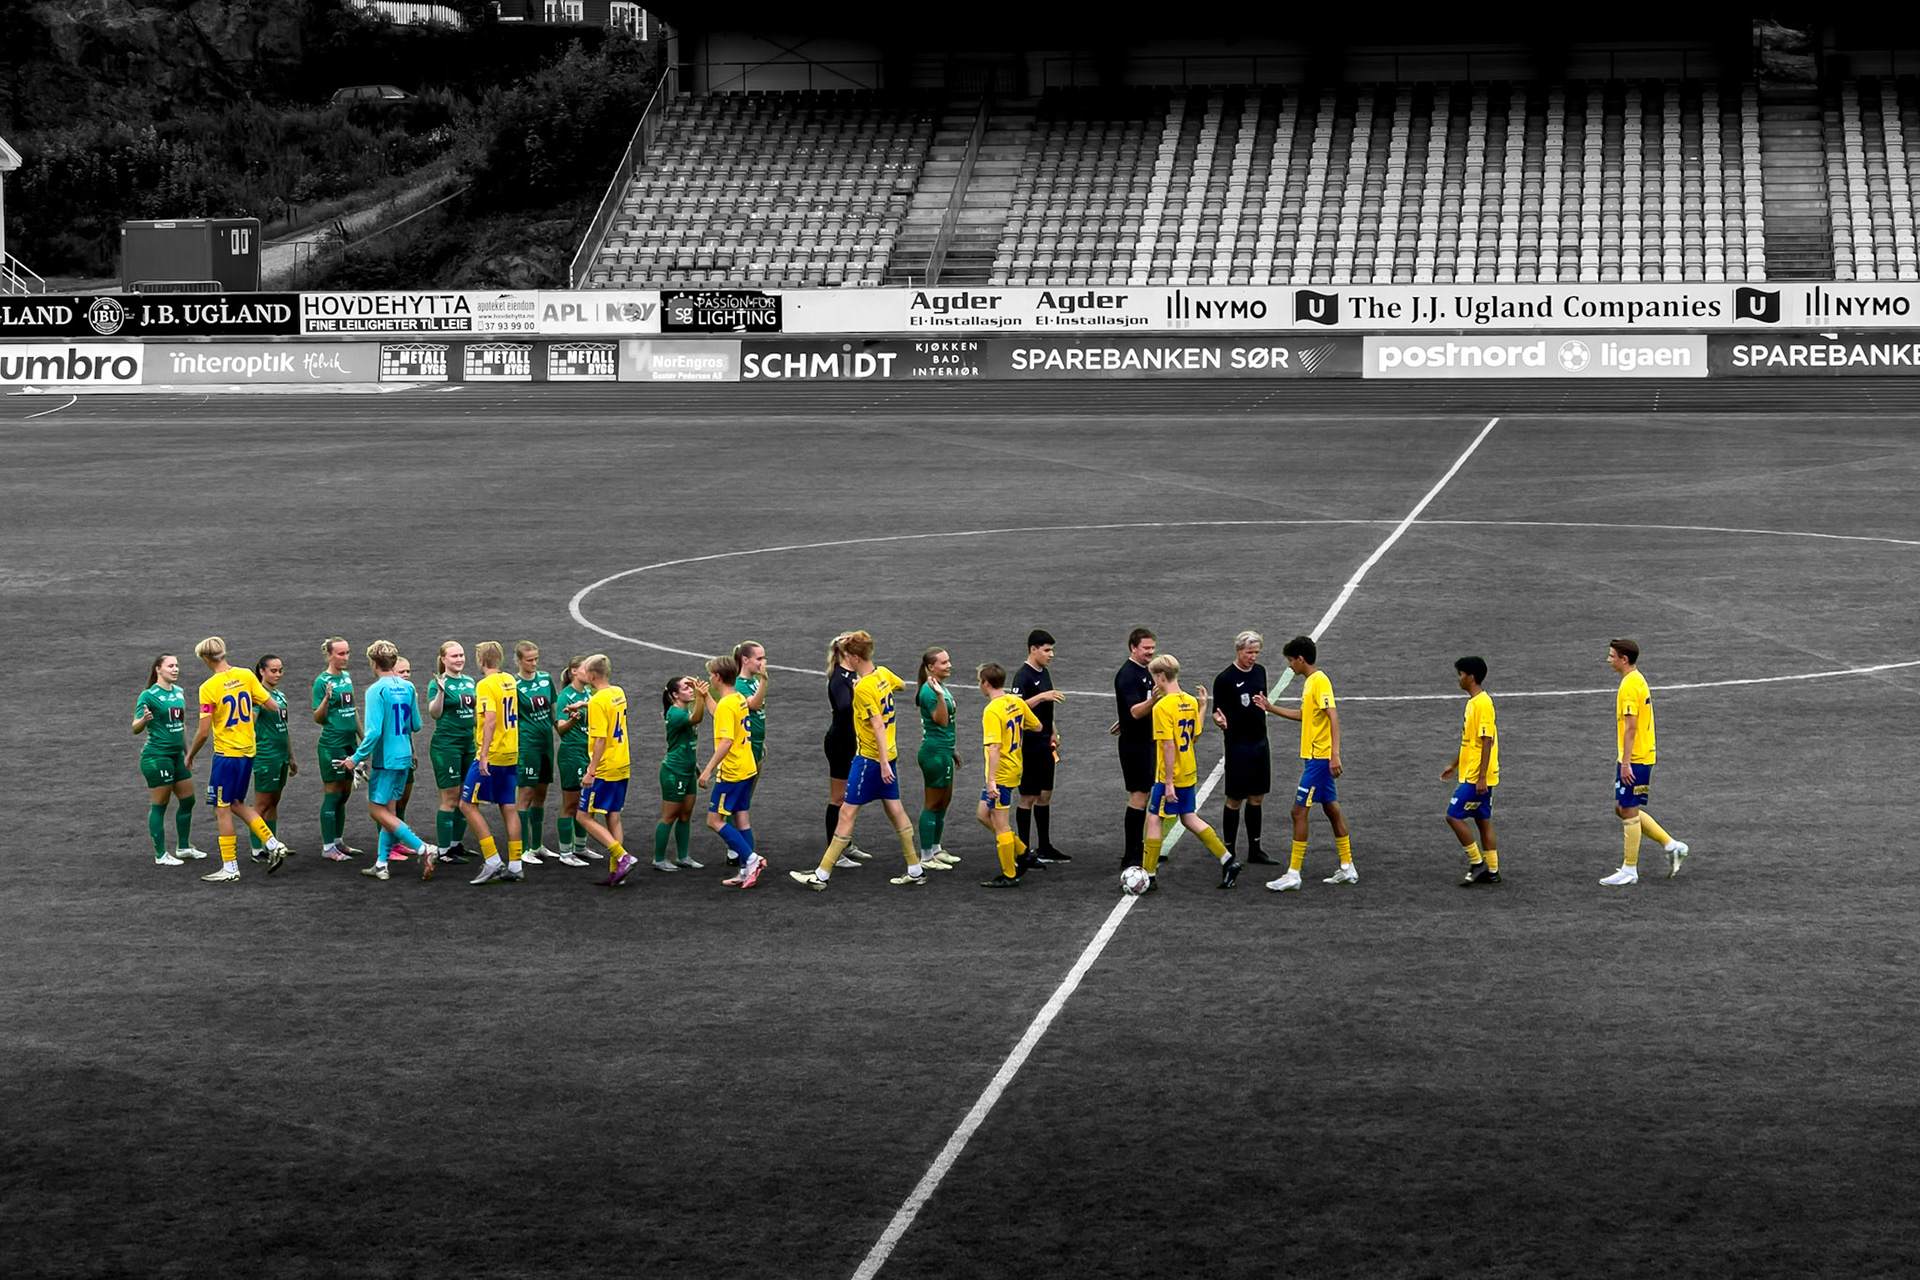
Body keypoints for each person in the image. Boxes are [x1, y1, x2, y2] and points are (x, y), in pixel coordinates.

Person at [791, 631, 927, 891]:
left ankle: (821, 875)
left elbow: (877, 725)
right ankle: (915, 868)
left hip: (870, 759)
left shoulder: (863, 687)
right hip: (891, 753)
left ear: (854, 657)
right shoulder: (883, 674)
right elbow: (902, 685)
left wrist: (882, 763)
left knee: (847, 812)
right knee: (896, 810)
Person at [183, 636, 294, 880]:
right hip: (248, 753)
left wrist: (190, 754)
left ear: (206, 658)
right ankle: (274, 844)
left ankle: (230, 868)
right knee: (237, 803)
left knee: (221, 808)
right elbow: (272, 705)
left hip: (227, 755)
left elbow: (203, 731)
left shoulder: (208, 688)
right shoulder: (246, 675)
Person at [337, 640, 441, 882]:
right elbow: (416, 724)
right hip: (404, 756)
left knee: (377, 810)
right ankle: (381, 864)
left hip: (386, 760)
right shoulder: (408, 687)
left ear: (374, 663)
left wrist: (355, 759)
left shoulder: (376, 691)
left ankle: (424, 848)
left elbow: (373, 733)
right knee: (390, 812)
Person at [1263, 635, 1355, 891]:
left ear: (1301, 659)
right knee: (1331, 809)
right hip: (1315, 758)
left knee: (1298, 811)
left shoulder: (1320, 681)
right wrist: (1270, 708)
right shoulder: (1310, 682)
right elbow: (1305, 716)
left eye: (1291, 660)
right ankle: (1347, 866)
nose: (1289, 665)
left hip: (1320, 759)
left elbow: (1332, 716)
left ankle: (1293, 874)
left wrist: (1335, 754)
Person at [1143, 654, 1242, 890]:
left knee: (1154, 818)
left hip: (1171, 774)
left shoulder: (1162, 707)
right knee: (1188, 817)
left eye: (1153, 677)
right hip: (1188, 770)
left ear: (1160, 676)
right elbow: (1194, 735)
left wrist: (1168, 783)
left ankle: (1149, 875)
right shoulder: (1189, 701)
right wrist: (1203, 707)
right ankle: (1227, 860)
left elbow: (1168, 746)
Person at [1600, 638, 1690, 886]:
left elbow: (1631, 727)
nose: (1608, 659)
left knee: (1628, 809)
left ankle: (1630, 869)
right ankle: (1672, 846)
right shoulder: (1637, 678)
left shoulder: (1630, 685)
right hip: (1638, 755)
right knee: (1622, 808)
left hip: (1636, 757)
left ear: (1624, 659)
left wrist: (1626, 763)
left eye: (1612, 656)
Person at [697, 654, 767, 886]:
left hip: (732, 772)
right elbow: (719, 713)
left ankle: (752, 859)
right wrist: (705, 695)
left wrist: (707, 770)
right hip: (747, 767)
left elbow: (726, 741)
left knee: (714, 820)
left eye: (711, 675)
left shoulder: (729, 704)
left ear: (718, 677)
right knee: (741, 818)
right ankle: (746, 871)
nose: (709, 678)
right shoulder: (737, 698)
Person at [459, 641, 525, 885]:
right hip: (511, 751)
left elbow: (490, 719)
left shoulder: (485, 685)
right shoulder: (509, 680)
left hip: (494, 753)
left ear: (481, 660)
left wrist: (484, 755)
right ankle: (516, 865)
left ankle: (493, 860)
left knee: (467, 804)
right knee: (509, 806)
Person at [131, 653, 205, 865]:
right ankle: (161, 854)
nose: (175, 669)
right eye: (170, 666)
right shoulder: (148, 696)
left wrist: (188, 753)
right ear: (158, 669)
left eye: (177, 666)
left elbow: (181, 726)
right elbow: (135, 727)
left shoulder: (179, 692)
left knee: (188, 800)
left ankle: (183, 847)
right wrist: (144, 720)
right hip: (157, 757)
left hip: (177, 756)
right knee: (160, 804)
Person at [1212, 631, 1278, 865]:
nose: (1253, 657)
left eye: (1256, 652)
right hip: (1237, 745)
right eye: (1250, 652)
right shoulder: (1225, 679)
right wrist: (1219, 721)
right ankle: (1229, 851)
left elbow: (1262, 702)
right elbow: (1217, 712)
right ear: (1239, 651)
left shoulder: (1260, 672)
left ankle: (1255, 849)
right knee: (1234, 798)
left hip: (1260, 742)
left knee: (1257, 796)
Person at [574, 654, 639, 887]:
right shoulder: (618, 692)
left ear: (592, 676)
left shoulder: (597, 702)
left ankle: (622, 856)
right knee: (613, 816)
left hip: (605, 768)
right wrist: (585, 705)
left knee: (583, 816)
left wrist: (591, 771)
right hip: (623, 763)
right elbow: (607, 709)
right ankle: (617, 872)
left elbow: (600, 739)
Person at [975, 662, 1040, 888]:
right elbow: (1037, 726)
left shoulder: (992, 710)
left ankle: (1010, 874)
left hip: (1001, 774)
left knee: (1001, 824)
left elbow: (994, 747)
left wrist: (991, 781)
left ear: (985, 683)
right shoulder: (1016, 701)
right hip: (1015, 766)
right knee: (983, 814)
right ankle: (1023, 851)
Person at [1441, 656, 1502, 886]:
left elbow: (1487, 741)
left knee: (1453, 815)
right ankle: (1493, 870)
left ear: (1471, 677)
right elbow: (1470, 741)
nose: (1458, 679)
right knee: (1482, 819)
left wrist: (1482, 777)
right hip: (1473, 772)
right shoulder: (1473, 703)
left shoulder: (1483, 704)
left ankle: (1477, 863)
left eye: (1460, 674)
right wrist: (1454, 765)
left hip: (1477, 776)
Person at [1010, 629, 1069, 862]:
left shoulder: (1044, 673)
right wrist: (1042, 697)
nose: (1051, 654)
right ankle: (1023, 852)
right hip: (1029, 746)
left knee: (1045, 795)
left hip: (1045, 743)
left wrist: (1053, 730)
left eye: (1051, 650)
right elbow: (1015, 708)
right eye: (1046, 650)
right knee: (1028, 797)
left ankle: (1044, 847)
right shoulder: (1022, 677)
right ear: (1033, 649)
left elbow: (1046, 710)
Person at [1110, 628, 1158, 870]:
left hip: (1148, 741)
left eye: (1152, 647)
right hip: (1135, 745)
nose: (1151, 652)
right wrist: (1154, 700)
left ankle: (1140, 847)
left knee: (1146, 795)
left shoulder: (1147, 670)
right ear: (1133, 647)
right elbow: (1136, 711)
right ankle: (1131, 854)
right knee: (1138, 796)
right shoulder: (1127, 675)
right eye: (1146, 648)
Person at [821, 633, 869, 867]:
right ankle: (835, 851)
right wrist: (859, 691)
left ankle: (846, 843)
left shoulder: (851, 675)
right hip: (840, 743)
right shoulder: (840, 677)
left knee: (850, 797)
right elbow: (842, 706)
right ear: (849, 654)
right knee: (838, 798)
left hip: (852, 742)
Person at [313, 636, 363, 861]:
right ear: (329, 655)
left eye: (347, 653)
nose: (345, 657)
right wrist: (326, 699)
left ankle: (338, 841)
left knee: (344, 794)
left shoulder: (347, 677)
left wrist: (363, 739)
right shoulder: (321, 682)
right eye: (341, 653)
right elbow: (318, 718)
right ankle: (327, 847)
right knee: (333, 794)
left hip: (350, 744)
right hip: (332, 745)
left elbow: (353, 710)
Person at [427, 641, 477, 864]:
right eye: (454, 656)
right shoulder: (437, 683)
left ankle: (456, 844)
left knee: (465, 795)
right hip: (447, 746)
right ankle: (444, 851)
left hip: (468, 745)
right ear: (443, 659)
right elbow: (434, 713)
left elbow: (473, 714)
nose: (459, 659)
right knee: (449, 798)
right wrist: (440, 691)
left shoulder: (469, 681)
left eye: (461, 655)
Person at [653, 674, 709, 871]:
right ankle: (659, 859)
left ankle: (683, 856)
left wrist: (694, 765)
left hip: (688, 770)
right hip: (674, 772)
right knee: (669, 816)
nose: (691, 690)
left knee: (685, 815)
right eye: (686, 688)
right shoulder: (676, 714)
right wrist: (701, 697)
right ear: (675, 695)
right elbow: (697, 718)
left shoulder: (684, 710)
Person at [914, 647, 963, 870]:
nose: (949, 665)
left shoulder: (938, 685)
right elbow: (942, 721)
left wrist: (952, 749)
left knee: (943, 802)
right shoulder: (930, 691)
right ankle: (926, 857)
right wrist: (941, 696)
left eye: (948, 660)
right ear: (931, 667)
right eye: (943, 662)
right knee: (933, 803)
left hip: (943, 751)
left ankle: (936, 849)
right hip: (934, 754)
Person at [513, 641, 559, 865]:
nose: (534, 663)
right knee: (525, 795)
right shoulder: (514, 685)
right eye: (529, 660)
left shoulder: (545, 679)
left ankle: (537, 845)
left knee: (541, 794)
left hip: (546, 743)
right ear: (519, 660)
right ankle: (522, 849)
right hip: (528, 745)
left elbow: (553, 710)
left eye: (536, 659)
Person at [248, 654, 295, 864]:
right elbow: (250, 722)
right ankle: (257, 850)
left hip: (281, 758)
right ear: (262, 671)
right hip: (266, 757)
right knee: (261, 805)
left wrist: (291, 757)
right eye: (273, 671)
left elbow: (284, 729)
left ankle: (272, 844)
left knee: (274, 803)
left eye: (280, 670)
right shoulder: (259, 696)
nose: (278, 674)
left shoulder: (280, 696)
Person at [551, 657, 595, 866]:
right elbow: (560, 729)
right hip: (572, 754)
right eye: (586, 669)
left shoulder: (587, 693)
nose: (590, 672)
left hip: (587, 753)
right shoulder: (565, 697)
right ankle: (565, 852)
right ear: (574, 671)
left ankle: (580, 847)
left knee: (584, 802)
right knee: (570, 804)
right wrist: (572, 720)